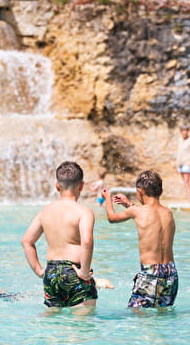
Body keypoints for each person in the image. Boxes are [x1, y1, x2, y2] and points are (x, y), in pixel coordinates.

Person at [21, 161, 113, 315]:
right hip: (75, 271)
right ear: (81, 186)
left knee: (52, 323)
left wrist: (39, 270)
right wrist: (84, 272)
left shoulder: (45, 211)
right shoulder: (84, 212)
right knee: (81, 328)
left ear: (57, 185)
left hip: (51, 273)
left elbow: (26, 241)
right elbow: (87, 242)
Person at [101, 170, 178, 308]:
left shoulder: (138, 211)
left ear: (140, 191)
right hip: (170, 274)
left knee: (136, 315)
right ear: (160, 190)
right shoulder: (168, 213)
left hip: (150, 273)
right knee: (163, 315)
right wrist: (128, 204)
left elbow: (111, 218)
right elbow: (148, 215)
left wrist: (107, 197)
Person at [176, 123, 190, 201]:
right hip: (180, 164)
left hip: (187, 164)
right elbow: (179, 153)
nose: (185, 132)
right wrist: (177, 165)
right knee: (185, 183)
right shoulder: (180, 140)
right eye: (183, 130)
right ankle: (188, 198)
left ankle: (189, 199)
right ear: (181, 131)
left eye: (186, 130)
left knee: (186, 182)